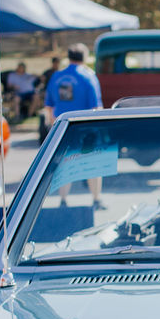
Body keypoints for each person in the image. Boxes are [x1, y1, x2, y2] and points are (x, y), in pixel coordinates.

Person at [43, 45, 105, 207]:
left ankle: (63, 200)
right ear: (85, 57)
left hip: (62, 128)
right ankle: (96, 199)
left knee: (65, 165)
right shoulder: (89, 77)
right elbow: (96, 108)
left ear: (68, 57)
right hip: (86, 129)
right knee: (93, 165)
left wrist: (52, 126)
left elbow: (49, 106)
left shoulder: (56, 76)